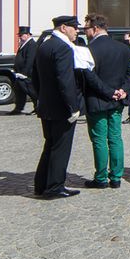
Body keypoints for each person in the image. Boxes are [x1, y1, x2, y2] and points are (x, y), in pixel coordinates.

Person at [31, 15, 86, 199]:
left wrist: (40, 98)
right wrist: (73, 106)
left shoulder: (44, 45)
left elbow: (35, 76)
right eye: (74, 27)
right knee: (61, 148)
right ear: (64, 28)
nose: (76, 31)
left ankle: (41, 184)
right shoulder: (63, 48)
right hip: (61, 107)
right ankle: (54, 186)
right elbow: (66, 81)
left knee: (50, 146)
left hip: (46, 105)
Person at [81, 14, 130, 189]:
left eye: (86, 28)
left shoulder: (88, 50)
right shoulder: (122, 48)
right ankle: (117, 177)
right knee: (115, 138)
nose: (84, 31)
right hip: (118, 100)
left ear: (95, 28)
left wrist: (109, 92)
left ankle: (101, 178)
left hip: (97, 100)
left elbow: (89, 77)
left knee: (99, 139)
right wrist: (123, 91)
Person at [10, 25, 38, 115]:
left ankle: (38, 108)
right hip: (19, 73)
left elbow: (30, 60)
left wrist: (24, 73)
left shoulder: (32, 44)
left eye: (21, 35)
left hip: (27, 74)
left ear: (28, 35)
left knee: (31, 91)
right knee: (19, 91)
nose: (20, 37)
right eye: (19, 35)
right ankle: (18, 108)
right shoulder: (23, 44)